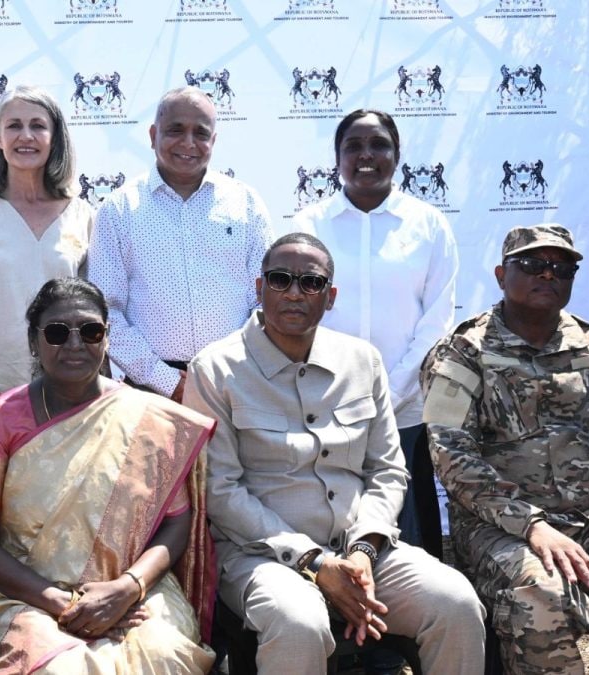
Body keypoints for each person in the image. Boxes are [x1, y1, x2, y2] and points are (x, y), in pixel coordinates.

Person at [184, 232, 485, 674]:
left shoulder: (363, 361)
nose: (294, 292)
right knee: (298, 622)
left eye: (311, 283)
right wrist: (315, 562)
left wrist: (363, 549)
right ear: (258, 287)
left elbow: (386, 470)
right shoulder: (215, 369)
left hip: (363, 551)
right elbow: (222, 491)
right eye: (280, 279)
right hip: (262, 556)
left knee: (455, 603)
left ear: (330, 297)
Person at [0, 277, 217, 673]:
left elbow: (178, 522)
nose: (75, 344)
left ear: (107, 337)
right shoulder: (4, 418)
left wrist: (128, 588)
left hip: (131, 591)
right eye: (58, 333)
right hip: (24, 591)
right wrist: (60, 601)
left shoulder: (148, 419)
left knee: (164, 654)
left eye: (90, 331)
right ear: (34, 341)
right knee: (61, 668)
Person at [420, 224, 589, 675]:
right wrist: (532, 525)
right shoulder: (462, 353)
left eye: (561, 268)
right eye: (532, 265)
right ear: (502, 275)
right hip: (500, 527)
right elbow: (452, 459)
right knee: (541, 592)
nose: (547, 275)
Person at [292, 108, 457, 558]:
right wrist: (340, 391)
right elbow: (295, 314)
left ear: (397, 154)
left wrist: (386, 392)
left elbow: (436, 324)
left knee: (412, 534)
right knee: (328, 521)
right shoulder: (310, 227)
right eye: (354, 146)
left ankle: (413, 622)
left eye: (379, 144)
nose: (367, 155)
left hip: (405, 409)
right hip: (325, 404)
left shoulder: (428, 226)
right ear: (337, 158)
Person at [88, 86, 273, 403]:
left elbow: (267, 299)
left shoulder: (246, 203)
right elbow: (105, 312)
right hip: (149, 392)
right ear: (152, 134)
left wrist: (234, 371)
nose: (188, 143)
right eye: (175, 130)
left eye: (201, 133)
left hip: (239, 385)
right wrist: (166, 380)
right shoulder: (118, 210)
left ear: (213, 141)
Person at [0, 85, 93, 407]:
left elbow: (95, 313)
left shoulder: (82, 214)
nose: (26, 136)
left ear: (55, 137)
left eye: (38, 125)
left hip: (68, 394)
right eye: (14, 125)